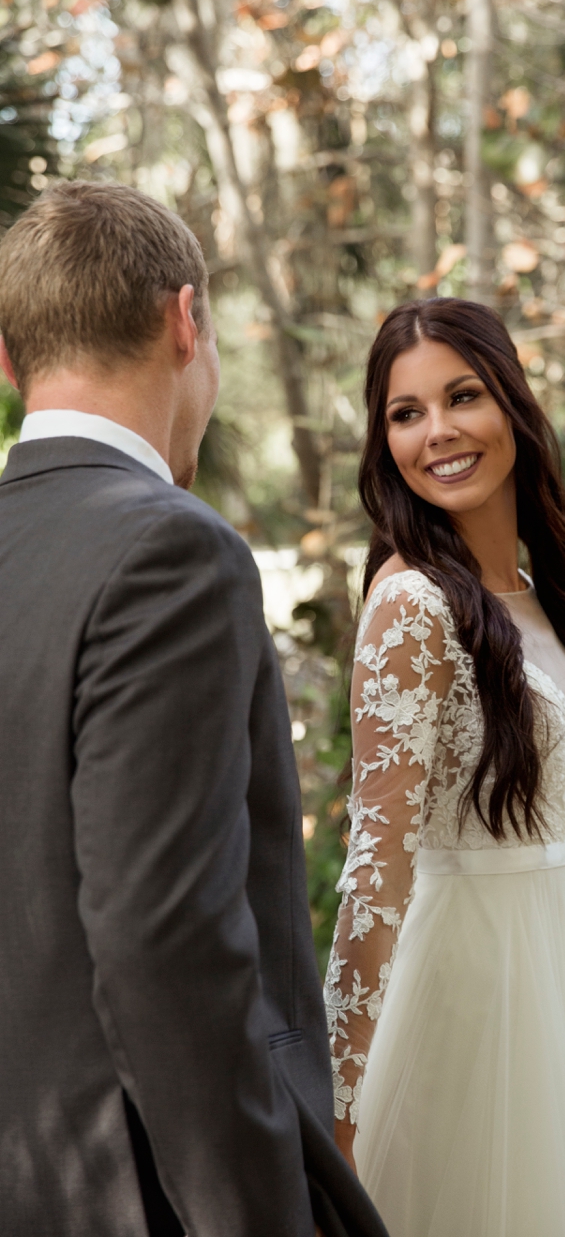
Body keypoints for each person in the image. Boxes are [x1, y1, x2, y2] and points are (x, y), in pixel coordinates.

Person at [0, 181, 387, 1237]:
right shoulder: (169, 548)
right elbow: (162, 941)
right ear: (187, 320)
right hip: (139, 1189)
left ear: (7, 358)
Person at [324, 297, 565, 1236]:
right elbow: (374, 868)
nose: (438, 434)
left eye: (461, 396)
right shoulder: (411, 604)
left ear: (511, 402)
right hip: (455, 1012)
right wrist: (338, 1116)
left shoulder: (540, 594)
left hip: (558, 1002)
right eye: (405, 413)